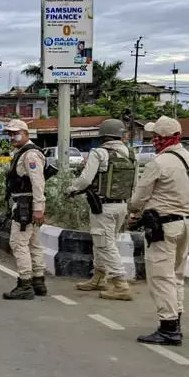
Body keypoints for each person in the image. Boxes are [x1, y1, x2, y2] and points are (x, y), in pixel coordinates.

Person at [129, 116, 189, 346]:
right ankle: (175, 318)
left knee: (161, 276)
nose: (153, 140)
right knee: (176, 275)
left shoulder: (158, 163)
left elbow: (139, 197)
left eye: (156, 137)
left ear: (164, 138)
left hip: (163, 227)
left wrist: (134, 213)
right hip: (186, 223)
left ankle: (168, 327)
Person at [67, 119, 135, 300]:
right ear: (120, 135)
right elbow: (134, 183)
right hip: (122, 205)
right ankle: (98, 277)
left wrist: (71, 189)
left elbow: (85, 180)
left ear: (103, 136)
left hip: (103, 206)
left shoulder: (99, 153)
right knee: (104, 242)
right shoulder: (130, 153)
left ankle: (120, 285)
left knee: (105, 245)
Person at [2, 119, 49, 300]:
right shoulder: (22, 152)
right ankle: (38, 281)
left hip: (26, 205)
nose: (12, 137)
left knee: (18, 243)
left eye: (16, 133)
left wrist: (38, 208)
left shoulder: (30, 155)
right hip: (27, 203)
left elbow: (38, 183)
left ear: (26, 133)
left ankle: (25, 283)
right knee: (33, 243)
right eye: (10, 134)